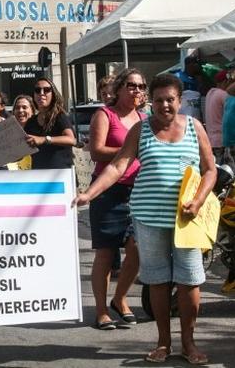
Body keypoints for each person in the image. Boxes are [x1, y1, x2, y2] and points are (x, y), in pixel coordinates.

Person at [74, 73, 216, 364]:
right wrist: (90, 193)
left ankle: (189, 344)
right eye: (160, 100)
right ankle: (164, 343)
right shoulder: (140, 130)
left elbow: (210, 169)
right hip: (148, 220)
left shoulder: (194, 127)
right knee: (158, 282)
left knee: (190, 282)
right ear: (152, 101)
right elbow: (117, 166)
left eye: (171, 100)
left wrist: (199, 200)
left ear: (180, 101)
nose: (165, 105)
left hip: (186, 221)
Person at [86, 68, 147, 330]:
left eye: (141, 86)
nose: (137, 90)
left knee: (136, 249)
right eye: (131, 85)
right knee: (106, 253)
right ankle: (101, 310)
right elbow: (96, 152)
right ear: (120, 88)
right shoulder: (105, 115)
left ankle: (120, 298)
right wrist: (128, 152)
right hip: (108, 192)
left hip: (139, 191)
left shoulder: (144, 118)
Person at [24, 78, 77, 169]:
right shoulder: (31, 122)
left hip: (60, 176)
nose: (41, 93)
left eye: (46, 90)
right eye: (37, 90)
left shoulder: (59, 116)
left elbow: (71, 140)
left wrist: (44, 139)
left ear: (53, 94)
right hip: (38, 175)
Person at [205, 70, 232, 167]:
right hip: (222, 141)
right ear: (225, 82)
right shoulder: (223, 95)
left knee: (216, 171)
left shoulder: (210, 93)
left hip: (211, 141)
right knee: (227, 173)